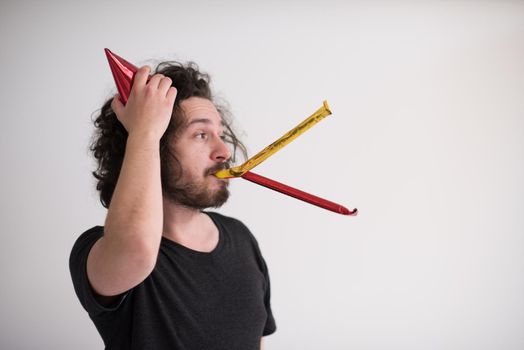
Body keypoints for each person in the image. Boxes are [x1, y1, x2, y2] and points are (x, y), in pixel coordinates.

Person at [69, 60, 276, 350]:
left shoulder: (241, 238)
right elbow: (138, 248)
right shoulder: (97, 249)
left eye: (222, 134)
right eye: (201, 135)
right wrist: (144, 130)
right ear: (152, 146)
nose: (224, 151)